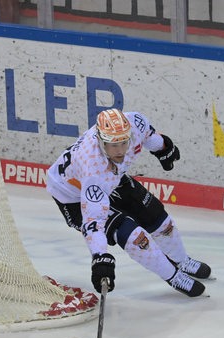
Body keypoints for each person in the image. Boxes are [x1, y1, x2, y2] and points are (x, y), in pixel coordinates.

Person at [46, 108, 211, 297]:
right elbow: (93, 222)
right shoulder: (93, 169)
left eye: (124, 143)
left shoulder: (135, 122)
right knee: (131, 234)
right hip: (72, 196)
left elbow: (150, 136)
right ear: (100, 140)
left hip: (112, 178)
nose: (120, 151)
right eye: (113, 145)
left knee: (154, 214)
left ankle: (182, 260)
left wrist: (164, 148)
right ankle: (173, 276)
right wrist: (100, 257)